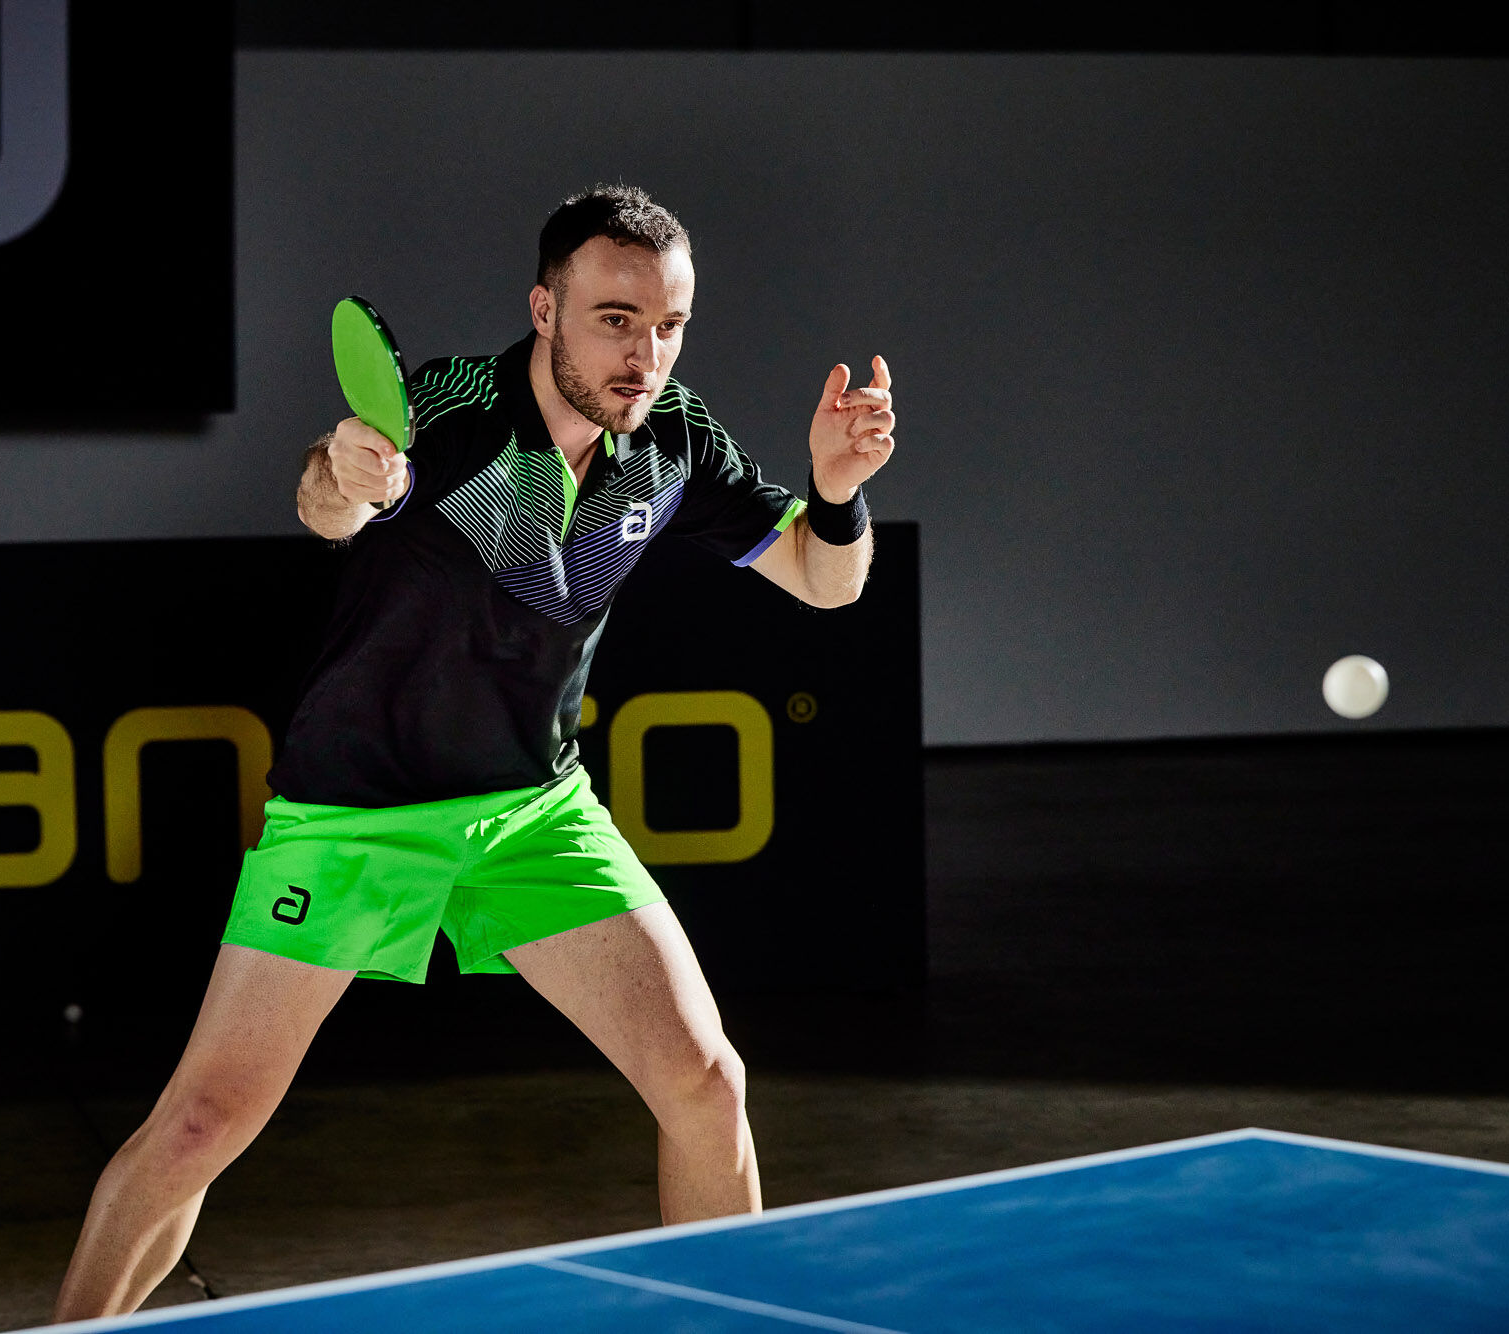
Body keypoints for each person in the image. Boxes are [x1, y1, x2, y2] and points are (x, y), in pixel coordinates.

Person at [53, 184, 897, 1320]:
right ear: (544, 310)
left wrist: (836, 494)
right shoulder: (453, 410)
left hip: (532, 812)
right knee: (202, 1123)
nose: (644, 355)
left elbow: (824, 582)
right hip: (355, 815)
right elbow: (328, 500)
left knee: (705, 1082)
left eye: (668, 324)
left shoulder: (673, 442)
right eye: (614, 320)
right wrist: (348, 476)